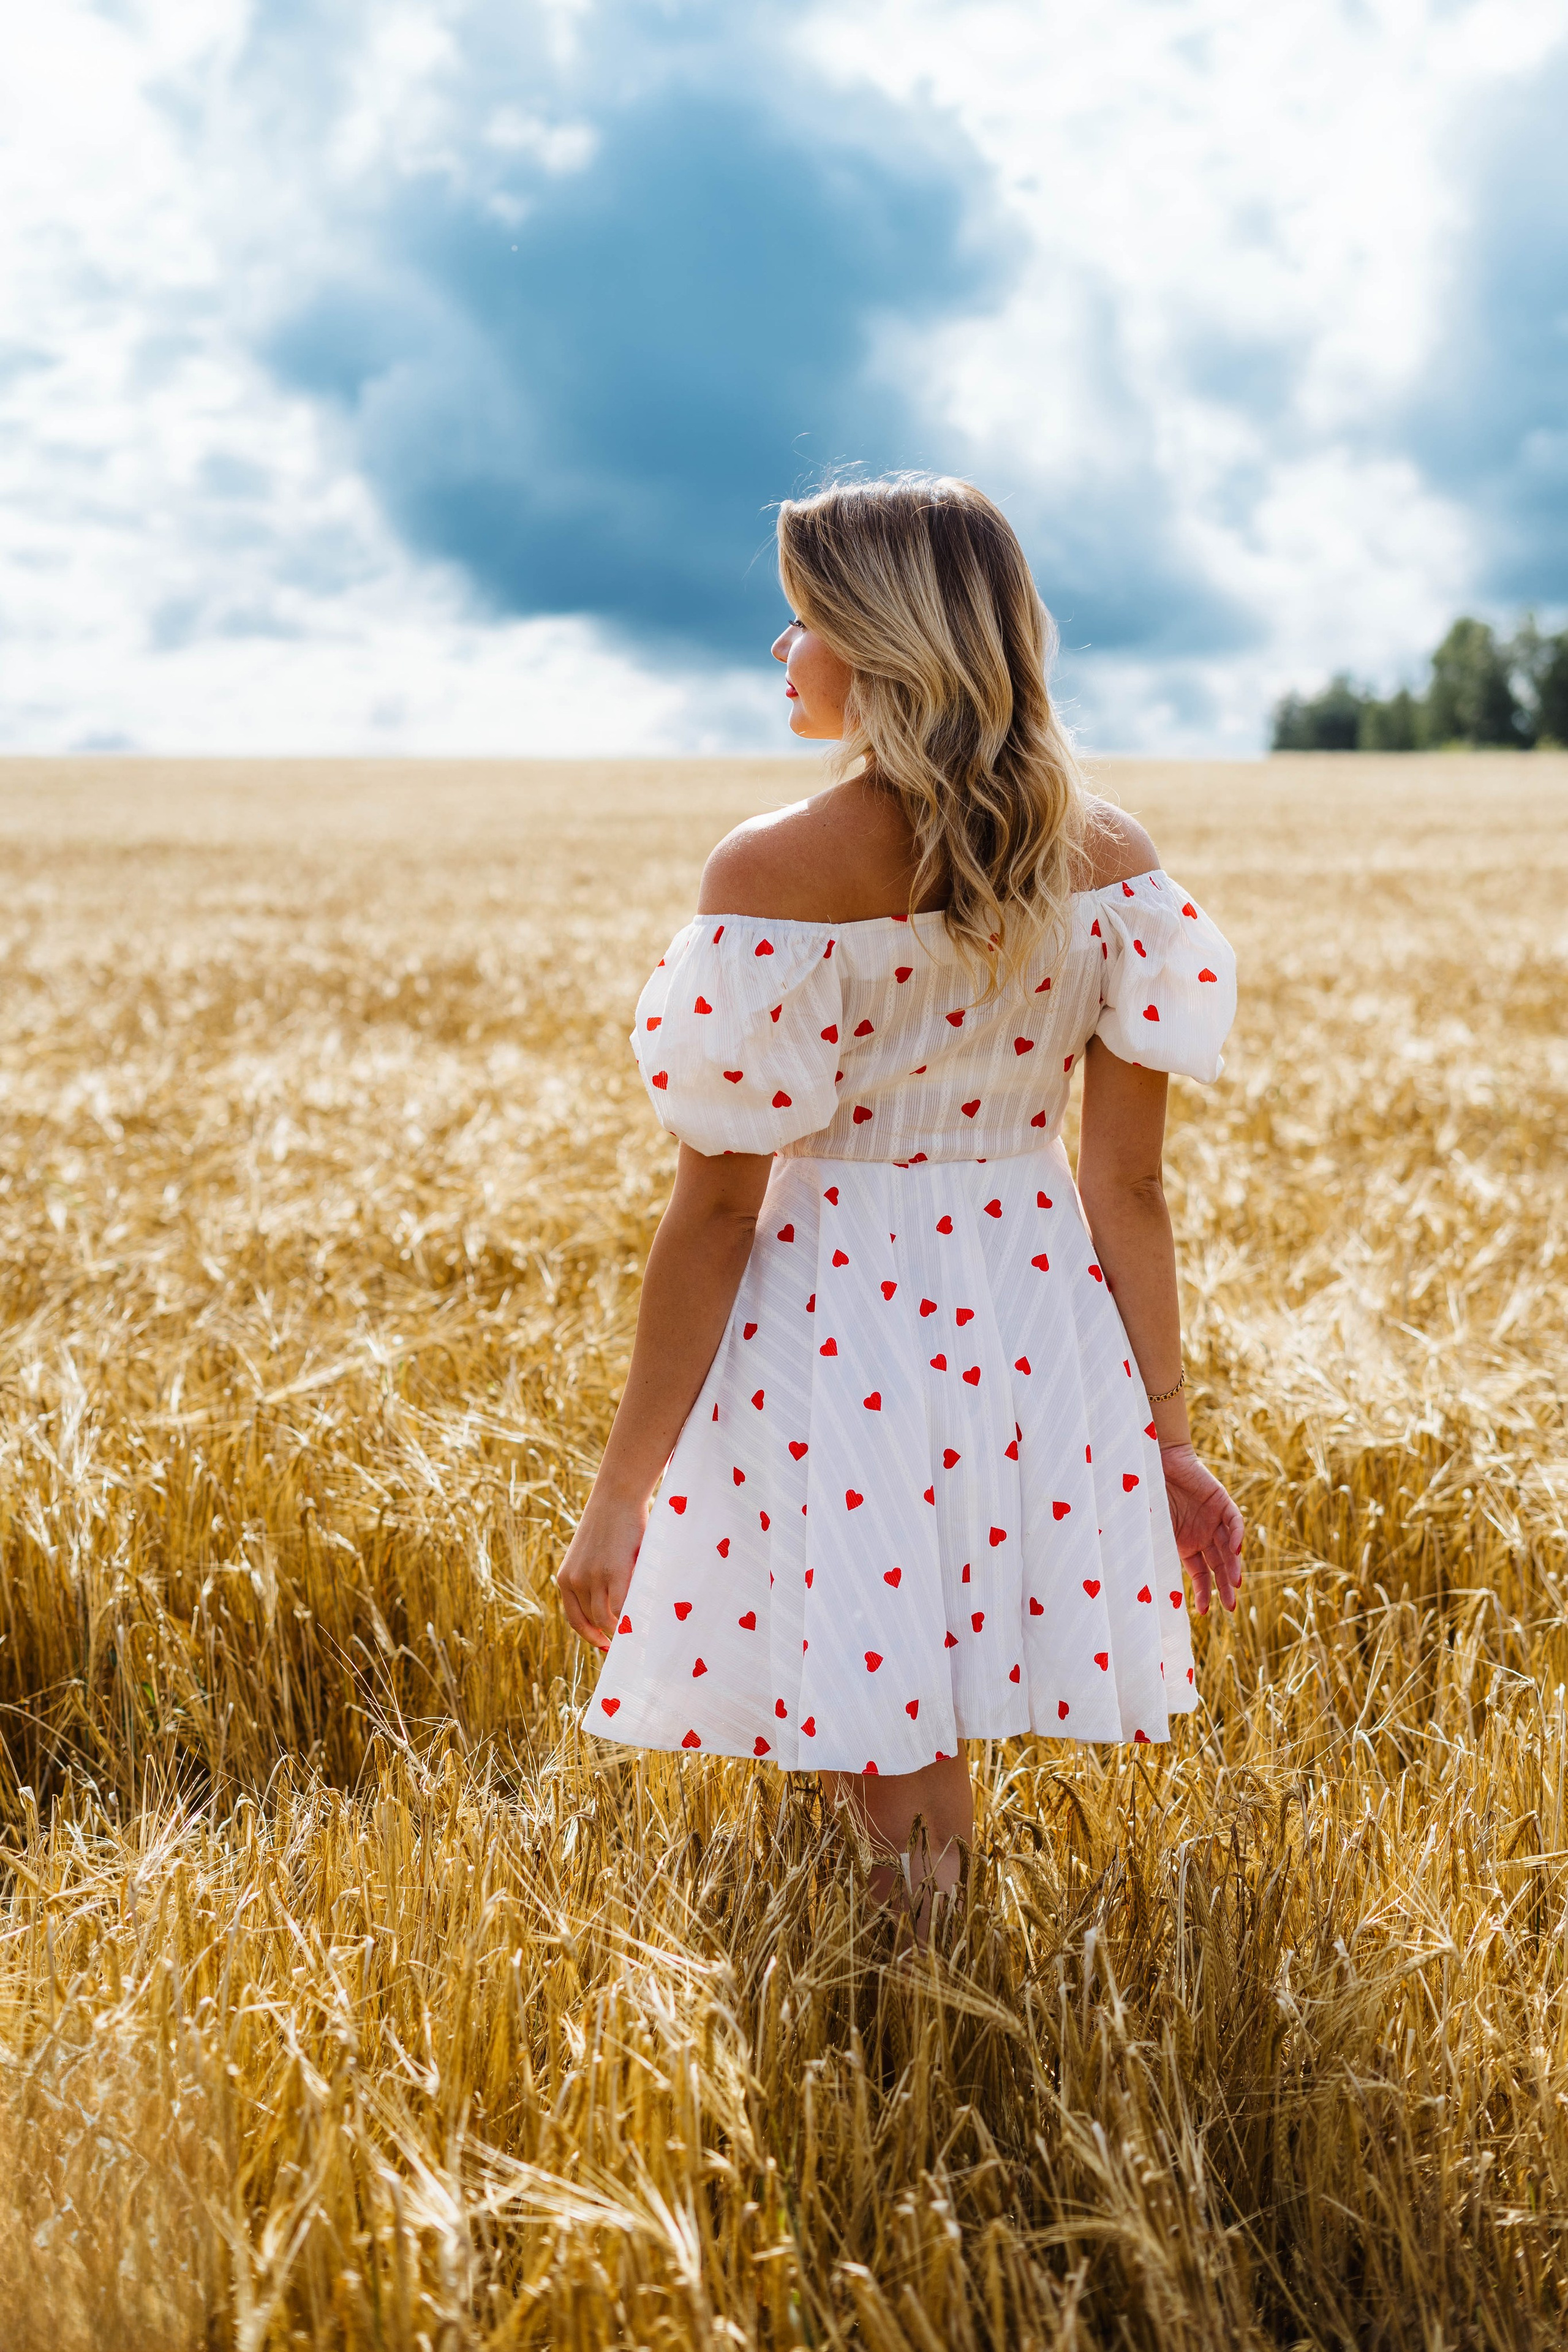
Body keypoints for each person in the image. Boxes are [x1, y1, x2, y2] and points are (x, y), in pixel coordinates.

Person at [557, 475, 1244, 1925]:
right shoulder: (1112, 861)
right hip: (1028, 1313)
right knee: (897, 1708)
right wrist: (1165, 1435)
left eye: (801, 620)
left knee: (880, 1710)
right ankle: (920, 1994)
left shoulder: (771, 869)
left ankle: (918, 2001)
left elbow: (718, 1215)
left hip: (838, 1315)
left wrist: (620, 1492)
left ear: (879, 644)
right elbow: (1125, 1183)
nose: (779, 650)